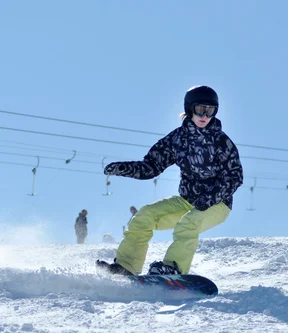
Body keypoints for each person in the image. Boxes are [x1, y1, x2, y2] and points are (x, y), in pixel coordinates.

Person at [97, 85, 243, 276]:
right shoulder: (177, 139)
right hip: (187, 201)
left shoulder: (221, 141)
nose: (205, 116)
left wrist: (210, 198)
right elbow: (151, 166)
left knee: (189, 223)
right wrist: (125, 168)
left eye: (210, 111)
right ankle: (126, 266)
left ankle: (174, 268)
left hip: (217, 203)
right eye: (200, 109)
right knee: (144, 215)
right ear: (190, 108)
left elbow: (235, 176)